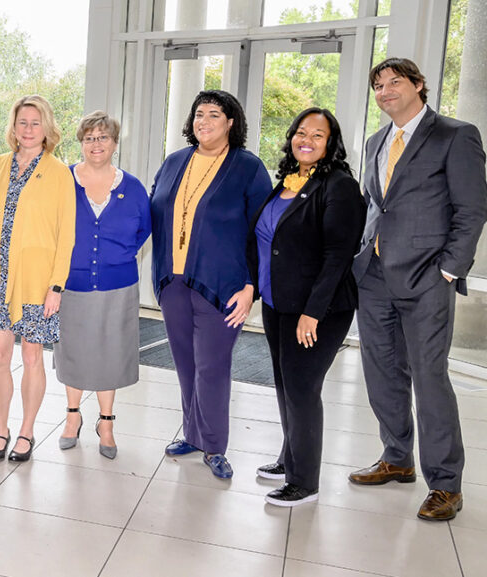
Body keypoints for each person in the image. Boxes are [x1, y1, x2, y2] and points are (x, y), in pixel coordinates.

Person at [349, 58, 487, 521]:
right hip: (373, 277)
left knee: (429, 378)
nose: (385, 91)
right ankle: (397, 458)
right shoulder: (374, 141)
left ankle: (446, 484)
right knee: (382, 372)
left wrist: (449, 269)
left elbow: (472, 209)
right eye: (379, 85)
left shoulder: (455, 134)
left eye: (395, 82)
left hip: (427, 278)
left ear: (418, 86)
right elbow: (375, 206)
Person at [247, 108, 365, 506]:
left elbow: (338, 256)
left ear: (331, 143)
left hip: (318, 311)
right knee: (284, 385)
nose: (307, 140)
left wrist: (312, 313)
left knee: (302, 389)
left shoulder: (340, 186)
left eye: (318, 135)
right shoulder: (287, 182)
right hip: (279, 303)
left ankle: (304, 481)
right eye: (301, 132)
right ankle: (289, 457)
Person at [149, 90, 270, 479]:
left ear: (231, 122)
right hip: (173, 281)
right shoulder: (174, 162)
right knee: (185, 363)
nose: (204, 121)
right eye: (199, 114)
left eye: (214, 114)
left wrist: (252, 285)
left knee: (212, 367)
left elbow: (262, 232)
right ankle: (193, 434)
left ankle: (214, 445)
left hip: (223, 285)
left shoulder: (248, 168)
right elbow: (155, 214)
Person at [0, 95, 76, 463]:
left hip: (37, 282)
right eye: (22, 122)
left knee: (32, 356)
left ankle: (26, 431)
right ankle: (0, 430)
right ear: (13, 127)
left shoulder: (60, 173)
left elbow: (67, 233)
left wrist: (57, 285)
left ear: (47, 128)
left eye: (36, 123)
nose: (29, 129)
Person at [54, 111, 150, 460]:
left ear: (114, 143)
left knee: (110, 351)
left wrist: (115, 255)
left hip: (117, 284)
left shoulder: (133, 187)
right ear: (81, 143)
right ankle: (72, 417)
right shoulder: (63, 181)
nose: (97, 144)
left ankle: (106, 423)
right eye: (90, 138)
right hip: (72, 282)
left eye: (104, 137)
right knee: (74, 349)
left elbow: (143, 230)